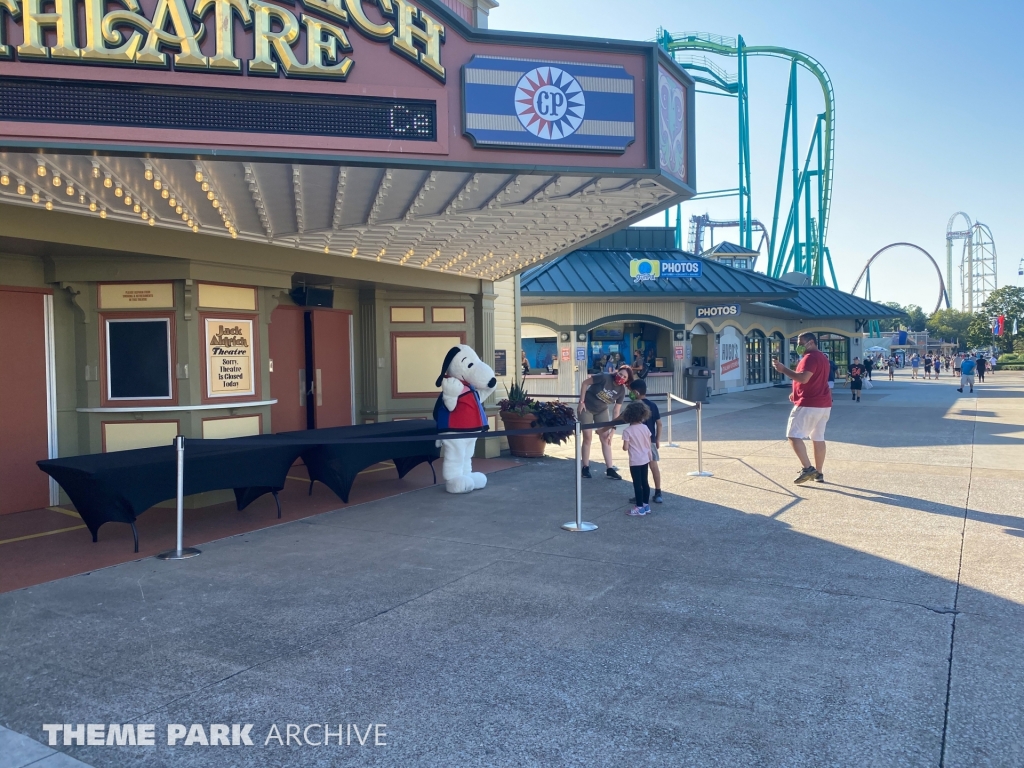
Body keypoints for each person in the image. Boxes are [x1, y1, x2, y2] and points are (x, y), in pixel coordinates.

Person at [772, 332, 832, 485]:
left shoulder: (810, 358)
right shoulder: (822, 358)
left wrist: (783, 369)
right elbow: (815, 380)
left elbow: (803, 378)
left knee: (793, 435)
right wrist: (796, 392)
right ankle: (819, 472)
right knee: (818, 438)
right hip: (823, 404)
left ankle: (807, 468)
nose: (798, 345)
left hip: (809, 404)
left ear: (811, 342)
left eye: (801, 342)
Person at [578, 364, 633, 479]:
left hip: (602, 410)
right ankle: (585, 467)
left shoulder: (621, 391)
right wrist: (581, 401)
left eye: (624, 377)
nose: (621, 377)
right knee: (587, 437)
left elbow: (616, 410)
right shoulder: (604, 377)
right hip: (587, 408)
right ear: (616, 372)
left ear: (627, 380)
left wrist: (613, 429)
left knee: (606, 438)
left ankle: (610, 468)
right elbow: (585, 383)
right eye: (620, 374)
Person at [629, 380, 663, 503]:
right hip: (651, 440)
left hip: (637, 443)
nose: (630, 394)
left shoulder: (634, 406)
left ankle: (641, 495)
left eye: (631, 391)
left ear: (636, 392)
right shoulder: (653, 405)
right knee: (654, 467)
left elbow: (621, 418)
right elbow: (659, 424)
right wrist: (657, 439)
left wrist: (604, 429)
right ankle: (658, 492)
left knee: (639, 470)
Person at [621, 400, 653, 516]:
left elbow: (625, 447)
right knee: (645, 482)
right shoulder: (645, 428)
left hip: (635, 460)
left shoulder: (627, 431)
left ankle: (638, 507)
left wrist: (625, 445)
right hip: (645, 458)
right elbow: (648, 443)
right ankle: (645, 505)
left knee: (637, 483)